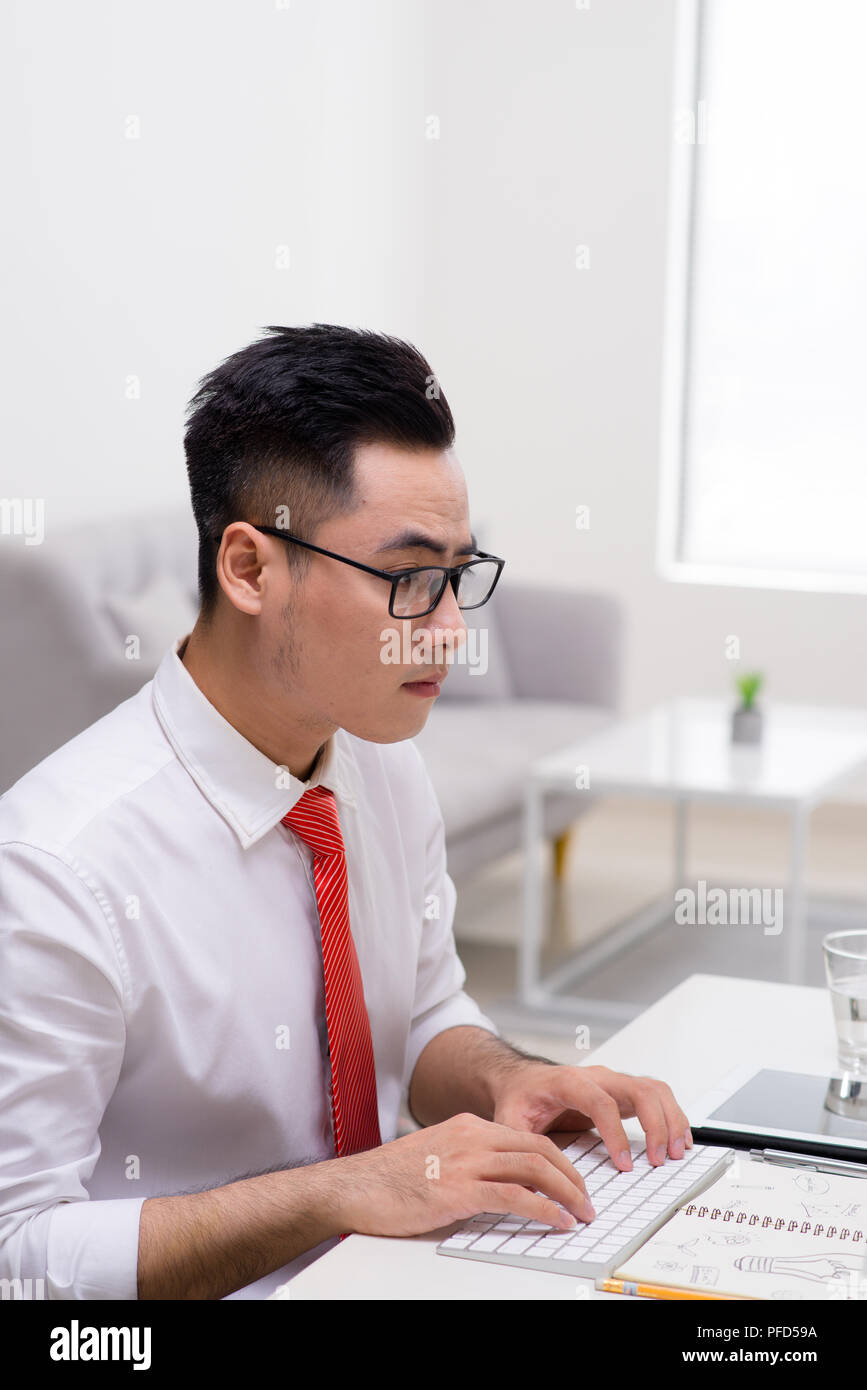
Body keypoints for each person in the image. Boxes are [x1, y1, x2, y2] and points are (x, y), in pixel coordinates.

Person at [0, 324, 692, 1300]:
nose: (452, 631)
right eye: (409, 579)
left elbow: (423, 1015)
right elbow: (20, 1255)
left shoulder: (380, 762)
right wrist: (341, 1191)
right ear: (248, 569)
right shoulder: (56, 867)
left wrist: (506, 1078)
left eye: (457, 575)